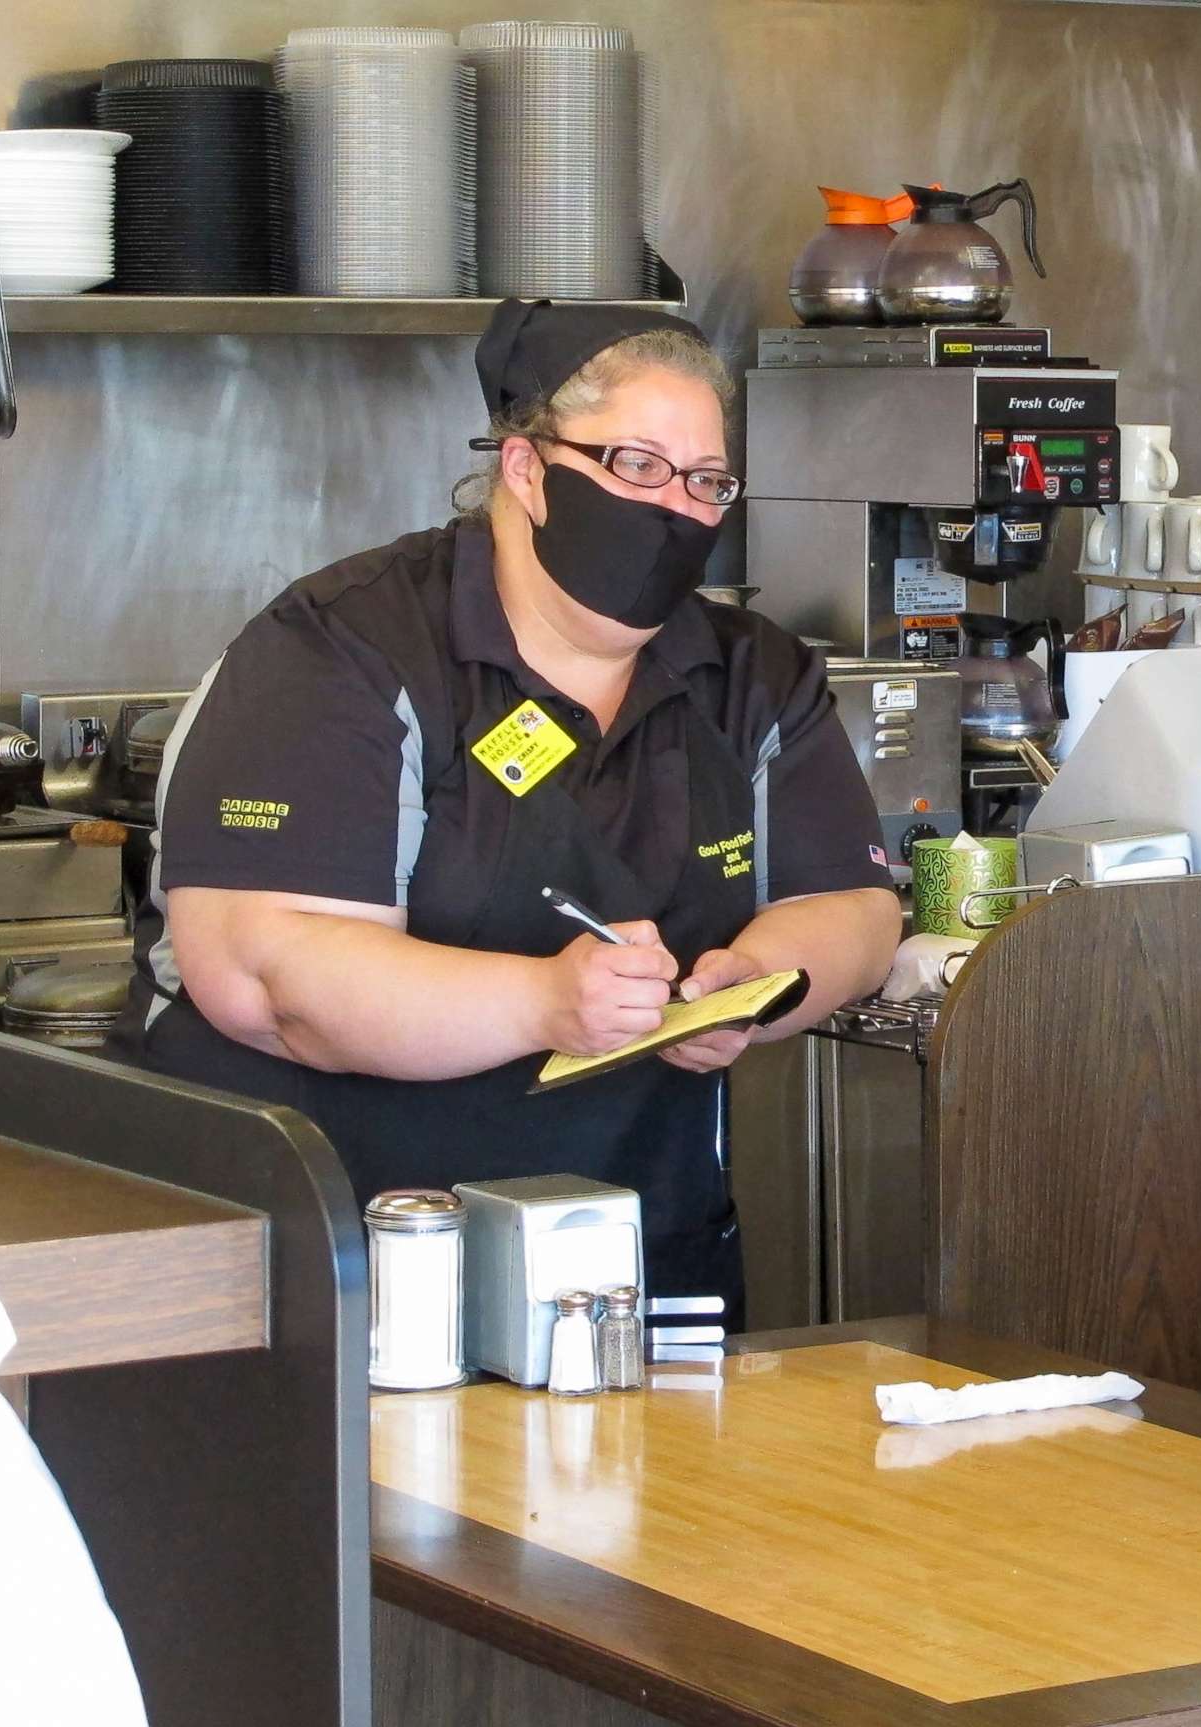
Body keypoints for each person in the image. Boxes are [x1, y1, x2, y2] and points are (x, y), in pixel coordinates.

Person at [112, 299, 901, 1317]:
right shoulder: (340, 652)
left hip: (634, 1266)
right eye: (636, 466)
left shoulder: (749, 677)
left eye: (706, 481)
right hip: (341, 1271)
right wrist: (547, 1004)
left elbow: (856, 907)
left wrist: (755, 987)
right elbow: (268, 977)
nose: (678, 508)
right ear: (527, 470)